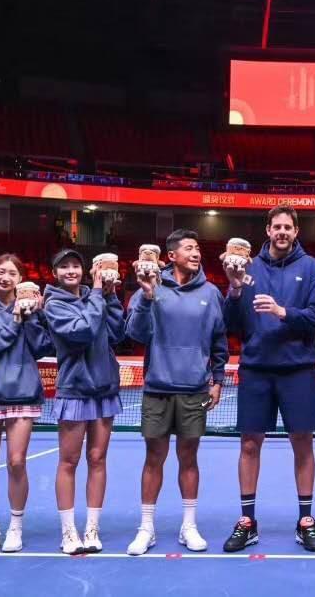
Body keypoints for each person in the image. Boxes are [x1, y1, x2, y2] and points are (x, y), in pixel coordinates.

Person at [220, 205, 315, 553]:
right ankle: (247, 521)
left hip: (298, 369)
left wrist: (283, 312)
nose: (282, 232)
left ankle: (306, 520)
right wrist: (235, 289)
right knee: (249, 445)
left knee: (303, 444)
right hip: (256, 368)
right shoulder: (247, 267)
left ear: (296, 231)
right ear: (267, 230)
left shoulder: (310, 268)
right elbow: (230, 324)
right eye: (276, 226)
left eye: (287, 227)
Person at [125, 230, 229, 556]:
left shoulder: (211, 293)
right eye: (188, 248)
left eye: (198, 248)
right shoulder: (151, 286)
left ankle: (189, 526)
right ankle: (146, 528)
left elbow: (219, 340)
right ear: (171, 256)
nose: (196, 253)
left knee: (189, 458)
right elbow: (135, 333)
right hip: (157, 387)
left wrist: (217, 379)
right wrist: (146, 295)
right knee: (153, 458)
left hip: (194, 389)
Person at [0, 254, 53, 555]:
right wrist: (15, 320)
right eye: (0, 271)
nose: (5, 277)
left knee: (17, 462)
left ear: (20, 280)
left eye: (12, 273)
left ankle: (15, 526)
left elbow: (42, 348)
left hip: (23, 394)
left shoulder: (30, 312)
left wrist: (35, 317)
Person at [41, 248, 127, 555]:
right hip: (74, 390)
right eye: (64, 266)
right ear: (55, 273)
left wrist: (111, 296)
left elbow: (116, 332)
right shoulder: (53, 305)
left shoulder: (96, 297)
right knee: (69, 461)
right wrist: (99, 294)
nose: (71, 271)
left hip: (104, 389)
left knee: (98, 459)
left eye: (75, 266)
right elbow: (84, 331)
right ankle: (68, 532)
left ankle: (92, 529)